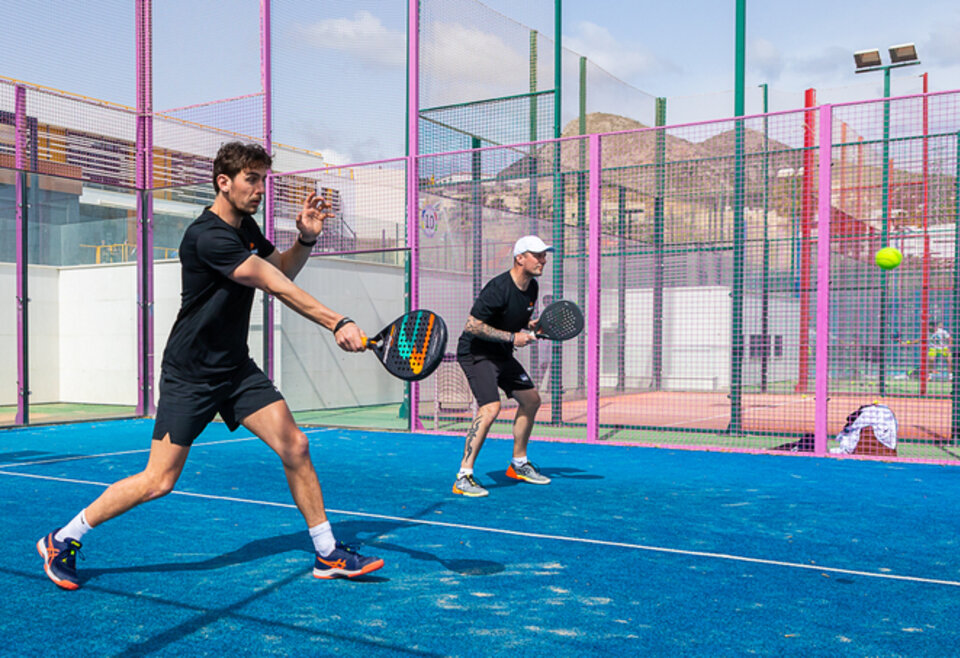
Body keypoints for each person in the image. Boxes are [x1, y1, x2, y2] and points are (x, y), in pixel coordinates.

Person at [37, 141, 383, 590]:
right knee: (158, 480)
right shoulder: (207, 235)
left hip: (235, 370)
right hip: (191, 374)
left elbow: (281, 268)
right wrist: (337, 320)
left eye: (263, 179)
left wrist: (307, 239)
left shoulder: (246, 228)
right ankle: (64, 537)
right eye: (251, 179)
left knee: (295, 445)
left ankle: (327, 552)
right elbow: (268, 281)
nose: (261, 189)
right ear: (224, 181)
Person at [452, 235, 554, 498]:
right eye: (537, 255)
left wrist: (528, 326)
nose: (543, 260)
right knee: (490, 408)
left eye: (544, 255)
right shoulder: (497, 287)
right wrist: (512, 337)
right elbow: (472, 326)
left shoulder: (531, 287)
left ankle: (519, 464)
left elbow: (513, 318)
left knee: (531, 400)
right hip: (476, 352)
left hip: (501, 352)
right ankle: (464, 476)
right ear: (520, 258)